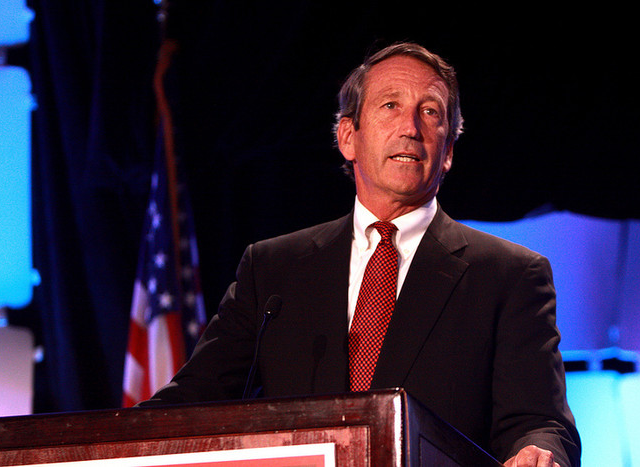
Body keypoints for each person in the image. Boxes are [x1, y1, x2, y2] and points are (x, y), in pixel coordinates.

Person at [138, 42, 581, 467]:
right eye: (390, 105)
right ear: (348, 137)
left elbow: (539, 423)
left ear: (447, 151)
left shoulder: (508, 275)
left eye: (430, 112)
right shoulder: (272, 269)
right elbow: (189, 404)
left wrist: (538, 453)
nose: (411, 128)